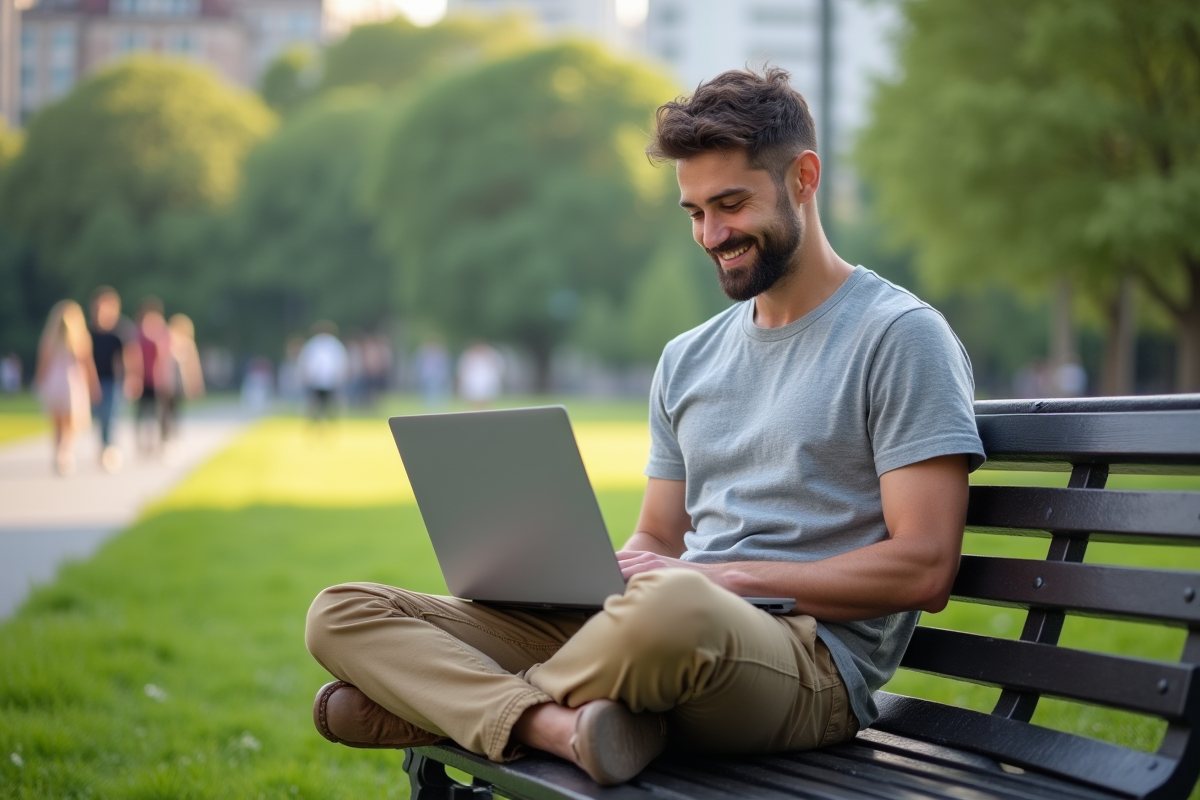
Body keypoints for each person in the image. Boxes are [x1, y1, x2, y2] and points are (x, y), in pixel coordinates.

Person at [305, 67, 985, 786]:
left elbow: (924, 565)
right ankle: (561, 726)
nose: (711, 234)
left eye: (730, 204)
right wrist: (588, 578)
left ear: (805, 178)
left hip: (805, 660)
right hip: (656, 632)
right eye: (693, 212)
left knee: (672, 609)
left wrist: (717, 578)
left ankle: (467, 705)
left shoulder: (900, 336)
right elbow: (658, 538)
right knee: (341, 612)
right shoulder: (687, 358)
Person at [34, 300, 100, 475]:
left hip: (54, 382)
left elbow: (43, 363)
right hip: (72, 382)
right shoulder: (80, 338)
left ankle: (58, 453)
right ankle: (66, 453)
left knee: (58, 424)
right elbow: (87, 364)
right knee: (71, 424)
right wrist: (94, 384)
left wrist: (39, 383)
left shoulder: (50, 338)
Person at [88, 287, 142, 472]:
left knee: (111, 415)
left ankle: (109, 449)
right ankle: (104, 446)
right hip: (93, 380)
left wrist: (132, 378)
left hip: (114, 381)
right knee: (99, 416)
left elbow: (129, 356)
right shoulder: (90, 331)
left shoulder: (121, 330)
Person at [133, 297, 173, 457]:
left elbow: (165, 358)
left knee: (160, 414)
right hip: (142, 380)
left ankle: (161, 443)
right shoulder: (137, 334)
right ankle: (143, 444)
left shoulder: (162, 333)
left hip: (158, 381)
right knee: (143, 413)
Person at [161, 313, 205, 444]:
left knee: (175, 410)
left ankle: (173, 435)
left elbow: (193, 366)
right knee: (165, 411)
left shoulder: (188, 344)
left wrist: (196, 384)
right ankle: (165, 437)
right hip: (167, 381)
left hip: (180, 383)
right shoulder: (166, 341)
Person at [298, 321, 348, 425]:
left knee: (331, 406)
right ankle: (314, 423)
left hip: (330, 380)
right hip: (315, 381)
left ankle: (331, 423)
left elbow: (341, 362)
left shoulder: (334, 344)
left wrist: (340, 376)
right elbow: (306, 362)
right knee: (314, 406)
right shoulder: (313, 345)